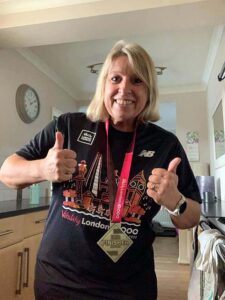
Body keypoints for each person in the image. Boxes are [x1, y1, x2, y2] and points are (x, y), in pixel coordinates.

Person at [0, 40, 201, 300]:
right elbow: (7, 172)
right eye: (116, 78)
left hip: (128, 287)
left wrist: (176, 202)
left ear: (149, 90)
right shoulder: (68, 126)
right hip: (59, 282)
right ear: (103, 84)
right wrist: (43, 168)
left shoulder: (165, 144)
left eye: (137, 80)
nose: (124, 88)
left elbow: (192, 217)